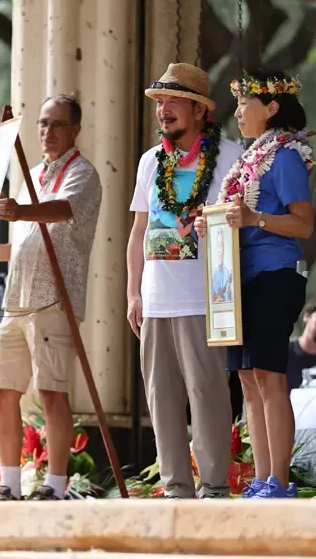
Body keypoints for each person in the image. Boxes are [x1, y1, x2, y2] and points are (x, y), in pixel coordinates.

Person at [0, 94, 102, 500]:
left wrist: (20, 211)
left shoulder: (83, 173)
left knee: (52, 392)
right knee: (1, 390)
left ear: (75, 130)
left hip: (52, 300)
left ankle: (55, 485)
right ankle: (9, 483)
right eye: (42, 123)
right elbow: (22, 244)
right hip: (15, 301)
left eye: (57, 124)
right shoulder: (31, 175)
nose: (47, 131)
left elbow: (62, 210)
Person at [196, 67, 316, 499]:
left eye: (244, 104)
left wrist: (254, 218)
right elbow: (237, 218)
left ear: (272, 107)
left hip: (274, 275)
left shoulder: (285, 156)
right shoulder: (249, 159)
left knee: (269, 375)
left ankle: (280, 482)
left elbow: (304, 224)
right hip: (238, 279)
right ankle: (262, 479)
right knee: (247, 379)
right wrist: (212, 224)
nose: (237, 113)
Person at [127, 63, 242, 499]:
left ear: (199, 110)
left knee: (207, 392)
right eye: (160, 102)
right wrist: (133, 292)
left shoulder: (229, 157)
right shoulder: (149, 161)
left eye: (174, 101)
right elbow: (138, 231)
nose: (164, 109)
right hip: (156, 298)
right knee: (161, 396)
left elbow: (244, 223)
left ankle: (213, 487)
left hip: (206, 296)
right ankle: (176, 488)